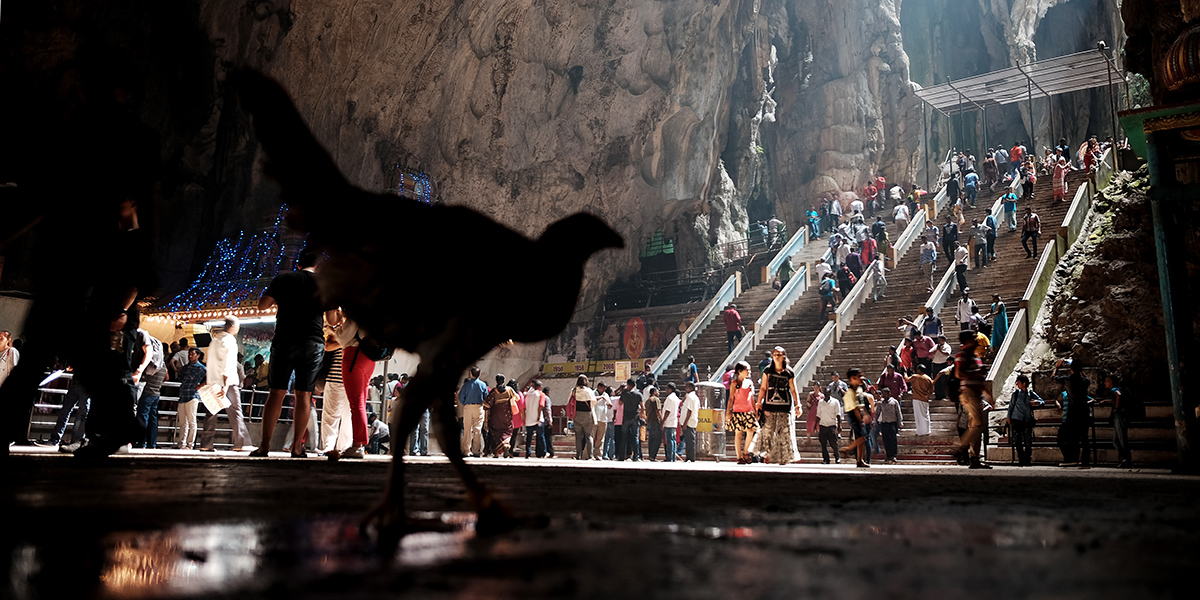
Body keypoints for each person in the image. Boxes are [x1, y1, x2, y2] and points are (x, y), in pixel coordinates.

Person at [252, 249, 332, 457]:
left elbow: (262, 306)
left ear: (297, 264)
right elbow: (332, 320)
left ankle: (265, 446)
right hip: (312, 342)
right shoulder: (325, 283)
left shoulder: (283, 279)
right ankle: (297, 447)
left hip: (285, 339)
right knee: (304, 394)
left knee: (276, 392)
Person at [199, 316, 252, 452]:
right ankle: (241, 443)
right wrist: (226, 385)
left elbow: (210, 362)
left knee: (211, 412)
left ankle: (206, 443)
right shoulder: (230, 341)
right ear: (234, 327)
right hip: (227, 382)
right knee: (236, 412)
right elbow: (228, 363)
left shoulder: (215, 340)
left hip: (213, 380)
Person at [325, 313, 374, 461]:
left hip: (354, 357)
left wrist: (332, 330)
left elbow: (342, 337)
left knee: (356, 404)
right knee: (360, 403)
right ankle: (359, 443)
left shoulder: (355, 316)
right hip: (369, 358)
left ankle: (357, 445)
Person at [950, 331, 994, 469]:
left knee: (974, 427)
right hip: (969, 393)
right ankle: (960, 448)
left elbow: (981, 380)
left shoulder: (976, 357)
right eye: (974, 338)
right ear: (968, 341)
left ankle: (974, 459)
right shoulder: (962, 355)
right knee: (979, 425)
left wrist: (989, 395)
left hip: (976, 393)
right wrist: (977, 373)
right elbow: (959, 373)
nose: (977, 340)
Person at [756, 346, 800, 465]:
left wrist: (798, 405)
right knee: (768, 431)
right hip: (769, 405)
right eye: (775, 354)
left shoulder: (789, 372)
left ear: (784, 357)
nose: (776, 356)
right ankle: (768, 455)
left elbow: (793, 389)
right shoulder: (767, 370)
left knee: (783, 433)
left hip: (784, 405)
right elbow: (763, 387)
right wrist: (759, 402)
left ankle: (783, 457)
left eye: (779, 354)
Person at [1052, 359, 1092, 468]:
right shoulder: (1085, 381)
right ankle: (1085, 462)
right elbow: (1085, 377)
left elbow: (1053, 378)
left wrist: (1057, 367)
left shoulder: (1067, 380)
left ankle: (1072, 458)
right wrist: (1080, 370)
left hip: (1073, 412)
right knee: (1084, 437)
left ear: (1071, 369)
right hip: (1084, 411)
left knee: (1071, 437)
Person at [132, 328, 166, 449]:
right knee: (153, 420)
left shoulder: (151, 367)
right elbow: (166, 378)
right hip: (156, 394)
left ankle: (141, 442)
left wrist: (139, 370)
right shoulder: (162, 368)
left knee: (142, 417)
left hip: (147, 393)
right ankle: (152, 443)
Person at [839, 369, 874, 468]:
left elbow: (861, 405)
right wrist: (860, 419)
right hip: (854, 415)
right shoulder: (850, 393)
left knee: (861, 440)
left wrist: (866, 414)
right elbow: (855, 409)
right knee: (862, 437)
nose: (861, 378)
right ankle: (846, 449)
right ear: (852, 379)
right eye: (859, 376)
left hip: (859, 413)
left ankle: (860, 460)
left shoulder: (859, 389)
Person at [1096, 374, 1134, 468]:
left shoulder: (1114, 389)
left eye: (1106, 381)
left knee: (1121, 438)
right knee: (1116, 440)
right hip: (1121, 415)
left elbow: (1118, 395)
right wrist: (1106, 402)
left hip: (1119, 415)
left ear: (1111, 382)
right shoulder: (1118, 388)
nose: (1105, 383)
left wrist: (1116, 408)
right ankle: (1123, 459)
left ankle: (1126, 459)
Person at [1007, 374, 1044, 466]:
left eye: (1018, 382)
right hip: (1016, 419)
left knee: (1028, 441)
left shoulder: (1031, 393)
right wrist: (1009, 417)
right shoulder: (1015, 394)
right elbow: (1011, 406)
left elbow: (1042, 401)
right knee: (1018, 441)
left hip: (1027, 420)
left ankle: (1027, 459)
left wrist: (1036, 402)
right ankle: (1021, 459)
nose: (1017, 384)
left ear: (1024, 383)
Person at [727, 361, 759, 464]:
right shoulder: (734, 383)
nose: (749, 372)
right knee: (738, 433)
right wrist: (728, 411)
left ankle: (746, 452)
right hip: (737, 411)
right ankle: (739, 456)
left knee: (750, 431)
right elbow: (731, 398)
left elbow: (752, 398)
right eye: (747, 370)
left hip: (748, 411)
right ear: (740, 371)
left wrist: (755, 411)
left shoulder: (749, 382)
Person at [483, 374, 518, 457]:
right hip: (506, 415)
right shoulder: (509, 390)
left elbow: (487, 404)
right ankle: (506, 445)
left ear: (496, 381)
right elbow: (517, 398)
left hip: (496, 416)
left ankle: (496, 453)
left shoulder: (494, 391)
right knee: (508, 430)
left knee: (495, 432)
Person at [458, 367, 489, 457]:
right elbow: (486, 396)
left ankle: (466, 450)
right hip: (479, 407)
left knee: (467, 429)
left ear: (471, 374)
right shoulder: (483, 385)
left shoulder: (466, 385)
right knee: (478, 429)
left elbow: (461, 397)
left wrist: (466, 403)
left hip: (468, 407)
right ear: (479, 375)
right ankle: (476, 450)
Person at [569, 375, 595, 460]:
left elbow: (569, 400)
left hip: (577, 414)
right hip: (587, 414)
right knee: (589, 436)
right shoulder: (589, 391)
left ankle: (578, 455)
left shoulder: (574, 390)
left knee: (578, 436)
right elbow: (594, 402)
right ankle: (590, 455)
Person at [618, 378, 643, 461]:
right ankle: (636, 456)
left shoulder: (624, 394)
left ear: (628, 385)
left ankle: (621, 456)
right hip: (635, 417)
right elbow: (642, 407)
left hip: (626, 417)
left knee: (623, 437)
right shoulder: (638, 394)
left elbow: (620, 403)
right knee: (635, 437)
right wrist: (641, 414)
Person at [906, 364, 934, 436]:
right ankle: (927, 431)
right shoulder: (928, 378)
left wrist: (905, 373)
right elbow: (931, 390)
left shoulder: (915, 377)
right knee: (925, 415)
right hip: (925, 399)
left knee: (918, 416)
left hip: (917, 398)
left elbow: (907, 380)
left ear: (919, 370)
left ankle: (920, 431)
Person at [521, 380, 546, 458]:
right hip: (538, 419)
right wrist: (538, 417)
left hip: (529, 419)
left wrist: (524, 418)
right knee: (540, 437)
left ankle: (528, 453)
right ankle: (543, 452)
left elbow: (523, 408)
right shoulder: (541, 394)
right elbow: (540, 406)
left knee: (529, 437)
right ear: (539, 387)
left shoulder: (527, 395)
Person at [659, 382, 681, 463]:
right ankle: (672, 457)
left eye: (667, 388)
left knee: (669, 440)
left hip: (668, 421)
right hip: (674, 421)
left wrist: (663, 421)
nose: (666, 390)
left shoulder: (670, 398)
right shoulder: (676, 398)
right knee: (673, 440)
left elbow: (667, 411)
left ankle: (669, 457)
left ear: (670, 389)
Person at [590, 381, 610, 460]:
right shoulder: (592, 393)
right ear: (598, 387)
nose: (603, 391)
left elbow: (609, 403)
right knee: (591, 437)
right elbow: (591, 400)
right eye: (602, 389)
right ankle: (588, 453)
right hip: (594, 418)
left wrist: (609, 404)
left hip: (603, 418)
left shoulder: (606, 395)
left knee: (600, 438)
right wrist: (600, 397)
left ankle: (598, 454)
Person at [680, 381, 700, 462]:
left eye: (687, 387)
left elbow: (689, 411)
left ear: (691, 388)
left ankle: (691, 457)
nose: (685, 388)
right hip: (691, 421)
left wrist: (685, 423)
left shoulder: (691, 397)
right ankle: (689, 456)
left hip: (689, 422)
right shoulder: (692, 396)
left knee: (690, 441)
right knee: (688, 440)